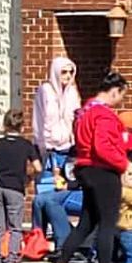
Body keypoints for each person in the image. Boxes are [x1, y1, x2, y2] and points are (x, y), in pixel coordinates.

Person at [44, 69, 131, 263]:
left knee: (87, 223)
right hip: (103, 171)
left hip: (85, 168)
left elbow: (102, 142)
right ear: (115, 91)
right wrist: (124, 164)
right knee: (107, 223)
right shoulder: (104, 115)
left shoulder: (85, 111)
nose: (121, 101)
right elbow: (104, 146)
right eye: (122, 95)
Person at [0, 108, 39, 263]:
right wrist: (28, 178)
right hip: (15, 188)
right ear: (22, 127)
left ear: (5, 125)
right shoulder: (26, 145)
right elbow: (38, 167)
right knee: (15, 229)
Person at [31, 56, 80, 187]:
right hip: (48, 149)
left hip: (68, 149)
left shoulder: (72, 92)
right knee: (47, 187)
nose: (68, 76)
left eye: (71, 72)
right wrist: (43, 146)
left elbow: (76, 118)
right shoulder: (45, 90)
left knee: (67, 187)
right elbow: (39, 120)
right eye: (64, 72)